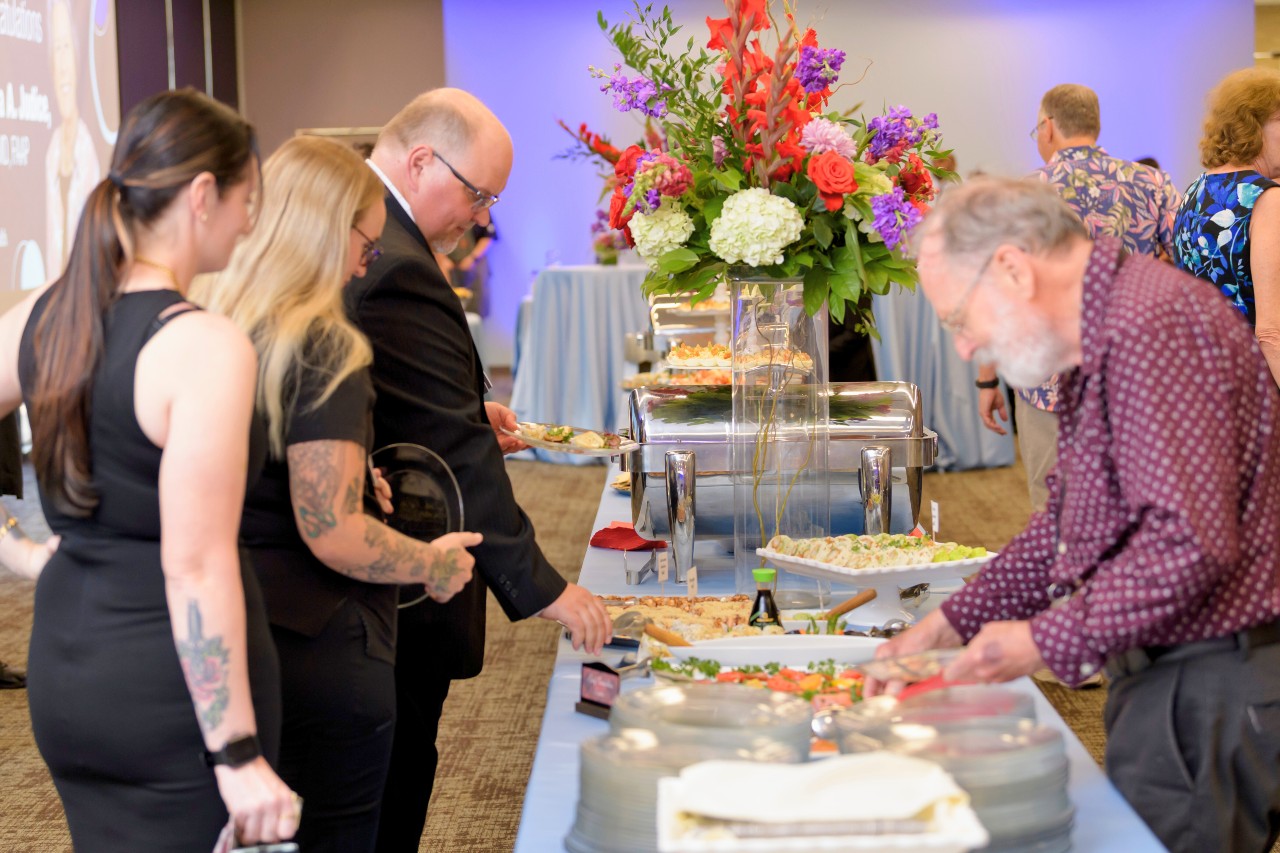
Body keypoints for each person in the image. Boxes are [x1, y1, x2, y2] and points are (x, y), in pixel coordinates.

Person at [869, 176, 1280, 853]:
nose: (968, 348)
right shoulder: (1112, 324)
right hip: (1173, 671)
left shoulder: (1153, 325)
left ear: (1012, 267)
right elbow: (1068, 516)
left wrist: (1039, 641)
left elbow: (1188, 544)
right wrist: (949, 622)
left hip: (1207, 676)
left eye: (960, 321)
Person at [0, 88, 299, 850]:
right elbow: (195, 567)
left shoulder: (42, 314)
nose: (249, 222)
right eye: (246, 199)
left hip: (67, 670)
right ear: (203, 195)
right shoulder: (203, 344)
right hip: (168, 699)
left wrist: (21, 551)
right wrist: (233, 752)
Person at [195, 135, 481, 853]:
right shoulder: (322, 343)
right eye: (366, 241)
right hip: (319, 648)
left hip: (225, 637)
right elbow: (332, 529)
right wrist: (431, 562)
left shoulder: (211, 320)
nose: (368, 260)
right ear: (326, 228)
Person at [345, 88, 613, 852]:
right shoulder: (393, 259)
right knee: (386, 786)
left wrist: (466, 410)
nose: (483, 216)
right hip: (389, 581)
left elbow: (402, 404)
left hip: (382, 562)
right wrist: (544, 587)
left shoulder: (387, 238)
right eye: (478, 193)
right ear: (422, 160)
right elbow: (447, 446)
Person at [976, 83, 1181, 512]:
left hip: (1048, 379)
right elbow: (1185, 268)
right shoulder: (1152, 183)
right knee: (1132, 508)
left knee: (1054, 510)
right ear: (1095, 125)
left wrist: (988, 377)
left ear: (1048, 127)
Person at [1173, 67, 1280, 385]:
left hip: (1202, 383)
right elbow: (1271, 332)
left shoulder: (1195, 190)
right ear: (1253, 126)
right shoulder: (1266, 200)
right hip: (1255, 389)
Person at [45, 0, 102, 274]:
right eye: (56, 49)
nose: (63, 66)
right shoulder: (51, 153)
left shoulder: (90, 152)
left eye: (67, 47)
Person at [437, 214, 496, 314]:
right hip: (449, 267)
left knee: (475, 309)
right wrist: (442, 259)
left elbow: (487, 236)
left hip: (474, 267)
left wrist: (473, 258)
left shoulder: (481, 212)